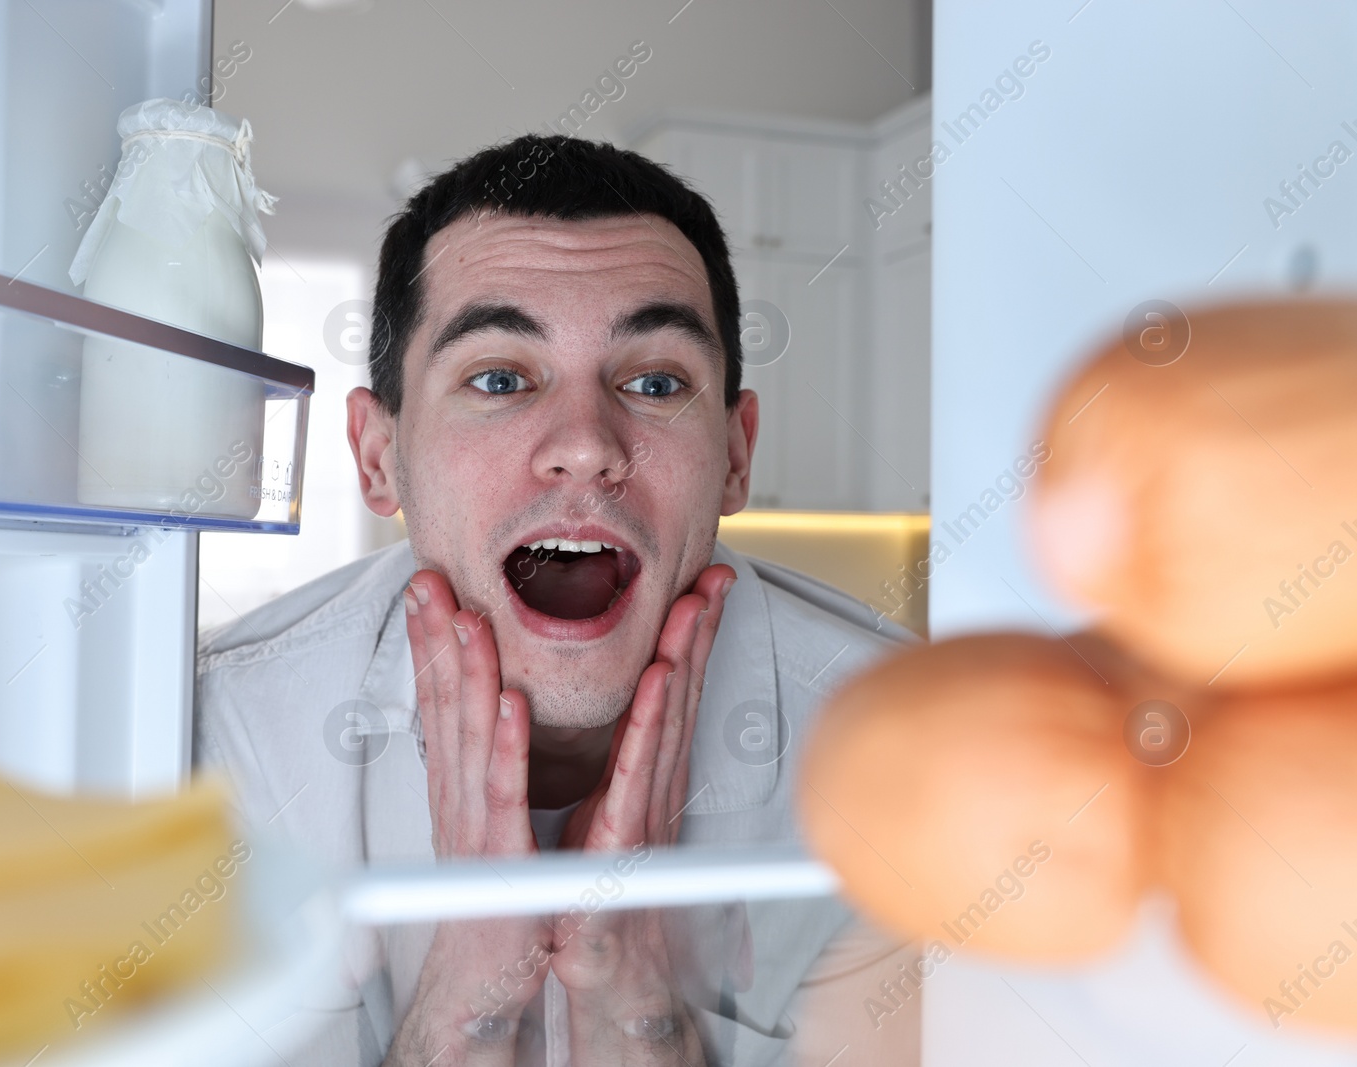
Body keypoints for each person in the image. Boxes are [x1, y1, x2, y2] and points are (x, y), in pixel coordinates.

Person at [195, 133, 921, 1065]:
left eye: (655, 381)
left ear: (736, 454)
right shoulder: (227, 748)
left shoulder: (909, 758)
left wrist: (640, 1010)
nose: (585, 443)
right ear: (380, 456)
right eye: (499, 378)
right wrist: (465, 1003)